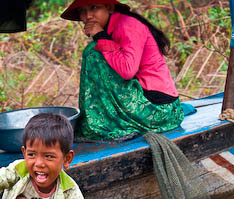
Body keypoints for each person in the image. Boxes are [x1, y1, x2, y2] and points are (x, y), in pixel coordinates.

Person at [61, 0, 184, 141]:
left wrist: (100, 36)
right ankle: (97, 123)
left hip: (160, 109)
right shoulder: (112, 27)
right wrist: (101, 36)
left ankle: (100, 125)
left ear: (109, 8)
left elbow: (127, 70)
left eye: (94, 8)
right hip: (145, 102)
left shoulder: (128, 25)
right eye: (83, 11)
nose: (88, 16)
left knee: (93, 53)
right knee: (94, 50)